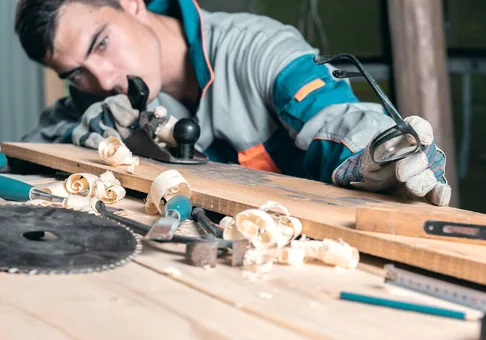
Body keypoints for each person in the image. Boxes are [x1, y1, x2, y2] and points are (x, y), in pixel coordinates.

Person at [14, 0, 451, 206]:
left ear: (131, 4)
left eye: (102, 43)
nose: (103, 79)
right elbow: (24, 154)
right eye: (75, 73)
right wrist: (83, 132)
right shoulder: (95, 95)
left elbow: (333, 118)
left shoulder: (258, 48)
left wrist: (378, 156)